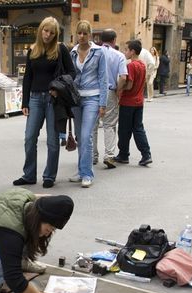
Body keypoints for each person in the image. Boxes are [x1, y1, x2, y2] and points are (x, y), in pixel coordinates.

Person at [12, 17, 75, 189]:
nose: (48, 35)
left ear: (55, 34)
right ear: (40, 30)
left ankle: (49, 176)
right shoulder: (33, 49)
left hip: (53, 99)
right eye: (45, 30)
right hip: (34, 98)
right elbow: (28, 77)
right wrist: (24, 102)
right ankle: (29, 174)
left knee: (53, 140)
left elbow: (72, 72)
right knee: (29, 137)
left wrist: (59, 87)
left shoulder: (60, 49)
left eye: (52, 32)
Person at [69, 20, 107, 188]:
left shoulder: (99, 52)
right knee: (80, 136)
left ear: (90, 34)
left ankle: (87, 173)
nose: (82, 36)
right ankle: (81, 170)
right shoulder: (73, 53)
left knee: (86, 136)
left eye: (85, 33)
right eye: (79, 33)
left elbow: (103, 78)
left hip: (93, 97)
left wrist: (103, 103)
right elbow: (70, 75)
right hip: (76, 98)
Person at [93, 29, 127, 169]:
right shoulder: (119, 55)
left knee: (93, 126)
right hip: (109, 91)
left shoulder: (94, 52)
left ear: (101, 39)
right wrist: (118, 90)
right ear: (114, 40)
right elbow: (123, 77)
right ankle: (109, 155)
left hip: (93, 92)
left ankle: (92, 155)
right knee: (110, 125)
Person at [115, 39, 152, 167]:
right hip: (139, 102)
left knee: (124, 129)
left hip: (128, 102)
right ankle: (146, 154)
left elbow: (129, 85)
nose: (124, 52)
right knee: (138, 128)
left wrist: (119, 88)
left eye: (126, 50)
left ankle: (123, 154)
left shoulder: (131, 65)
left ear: (133, 51)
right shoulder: (142, 64)